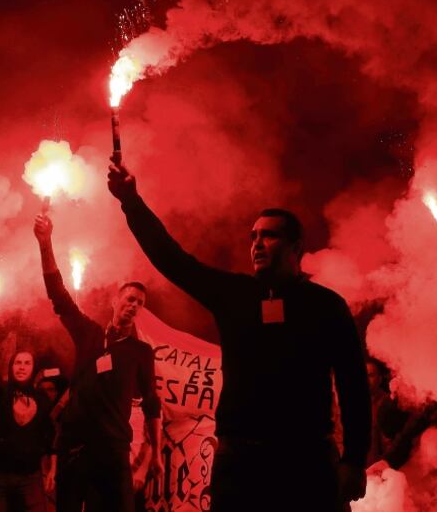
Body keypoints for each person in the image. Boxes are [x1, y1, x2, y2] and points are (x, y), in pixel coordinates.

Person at [107, 162, 372, 512]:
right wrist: (131, 201)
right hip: (241, 461)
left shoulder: (325, 306)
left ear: (295, 246)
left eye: (269, 235)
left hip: (307, 460)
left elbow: (354, 385)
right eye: (253, 236)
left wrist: (353, 460)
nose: (257, 243)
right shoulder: (235, 296)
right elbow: (172, 260)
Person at [33, 213, 162, 512]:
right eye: (130, 299)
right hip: (75, 449)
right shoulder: (89, 334)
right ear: (115, 302)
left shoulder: (141, 352)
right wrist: (45, 243)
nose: (134, 305)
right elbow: (58, 295)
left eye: (140, 303)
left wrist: (155, 453)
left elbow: (152, 403)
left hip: (114, 452)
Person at [0, 349, 56, 512]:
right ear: (11, 366)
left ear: (34, 369)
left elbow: (50, 434)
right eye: (18, 362)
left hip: (30, 476)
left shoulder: (41, 398)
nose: (22, 367)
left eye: (27, 363)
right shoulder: (1, 393)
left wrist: (53, 468)